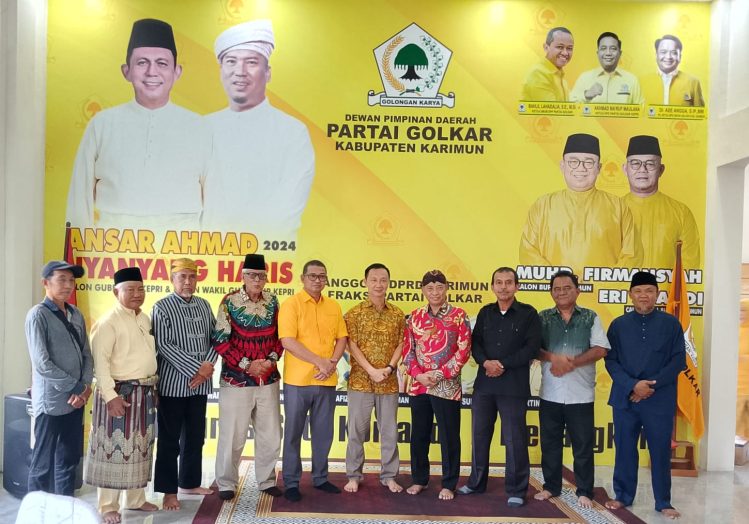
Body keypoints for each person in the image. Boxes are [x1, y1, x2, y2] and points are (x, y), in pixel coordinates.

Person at [65, 18, 209, 231]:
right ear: (126, 71)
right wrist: (78, 250)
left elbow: (215, 203)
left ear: (177, 72)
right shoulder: (102, 125)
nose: (152, 72)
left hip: (182, 244)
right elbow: (80, 195)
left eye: (162, 63)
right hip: (113, 242)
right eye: (142, 62)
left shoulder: (200, 128)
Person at [203, 19, 315, 240]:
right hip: (209, 252)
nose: (240, 71)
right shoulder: (201, 129)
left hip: (267, 254)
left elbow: (286, 212)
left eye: (251, 62)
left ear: (268, 73)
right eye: (231, 61)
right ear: (221, 71)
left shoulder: (292, 133)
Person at [457, 267, 541, 508]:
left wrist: (502, 364)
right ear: (492, 286)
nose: (504, 287)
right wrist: (486, 363)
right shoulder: (486, 312)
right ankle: (476, 483)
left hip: (513, 387)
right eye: (499, 282)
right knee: (479, 435)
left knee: (515, 439)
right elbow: (475, 344)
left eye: (508, 282)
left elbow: (531, 348)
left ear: (517, 286)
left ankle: (516, 489)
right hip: (485, 384)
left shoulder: (528, 314)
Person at [604, 271, 685, 519]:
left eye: (649, 291)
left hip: (658, 399)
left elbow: (678, 361)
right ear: (630, 295)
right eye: (638, 291)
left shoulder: (671, 324)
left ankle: (663, 501)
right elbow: (611, 361)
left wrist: (649, 387)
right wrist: (633, 386)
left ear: (657, 294)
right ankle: (623, 496)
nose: (643, 296)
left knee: (660, 450)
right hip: (625, 398)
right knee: (625, 449)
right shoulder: (618, 325)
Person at [84, 267, 158, 524]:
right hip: (118, 393)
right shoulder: (108, 322)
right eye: (130, 290)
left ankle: (136, 500)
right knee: (113, 450)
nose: (137, 294)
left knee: (139, 448)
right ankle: (107, 506)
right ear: (116, 292)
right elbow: (100, 365)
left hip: (144, 392)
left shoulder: (144, 318)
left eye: (140, 289)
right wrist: (110, 397)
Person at [532, 270, 609, 508]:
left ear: (577, 290)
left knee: (583, 446)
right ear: (551, 292)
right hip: (550, 392)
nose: (561, 292)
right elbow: (533, 348)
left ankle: (584, 491)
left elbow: (600, 349)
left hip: (581, 394)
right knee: (550, 444)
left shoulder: (590, 317)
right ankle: (551, 486)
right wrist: (554, 358)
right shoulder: (542, 318)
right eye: (556, 289)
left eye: (567, 288)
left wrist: (572, 363)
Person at [212, 253, 284, 500]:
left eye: (261, 275)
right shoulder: (229, 302)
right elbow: (220, 341)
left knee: (270, 434)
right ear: (243, 276)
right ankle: (226, 483)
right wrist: (247, 365)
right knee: (232, 435)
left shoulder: (273, 301)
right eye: (252, 275)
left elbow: (281, 337)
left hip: (268, 379)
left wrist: (270, 361)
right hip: (236, 380)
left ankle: (266, 480)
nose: (257, 280)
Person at [519, 133, 642, 271]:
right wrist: (558, 280)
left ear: (599, 168)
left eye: (589, 162)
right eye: (573, 161)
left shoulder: (618, 206)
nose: (581, 168)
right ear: (562, 166)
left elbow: (632, 254)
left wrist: (602, 281)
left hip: (603, 285)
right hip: (554, 285)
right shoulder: (543, 205)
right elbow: (528, 251)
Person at [278, 260, 348, 502]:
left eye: (322, 276)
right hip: (298, 381)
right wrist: (320, 362)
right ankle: (291, 482)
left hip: (326, 380)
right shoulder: (291, 304)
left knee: (323, 433)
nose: (318, 280)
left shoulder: (333, 306)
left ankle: (320, 478)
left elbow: (342, 338)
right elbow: (288, 341)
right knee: (293, 434)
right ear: (302, 278)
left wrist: (332, 362)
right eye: (313, 276)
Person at [152, 258, 217, 510]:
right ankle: (169, 492)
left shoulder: (204, 305)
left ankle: (189, 482)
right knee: (169, 441)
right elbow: (164, 345)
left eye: (192, 277)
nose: (188, 282)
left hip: (200, 386)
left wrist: (207, 368)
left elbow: (216, 339)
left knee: (195, 436)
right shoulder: (162, 307)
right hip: (172, 385)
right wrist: (196, 369)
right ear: (172, 279)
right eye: (182, 277)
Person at [25, 261, 93, 496]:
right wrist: (76, 387)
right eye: (61, 279)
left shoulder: (76, 314)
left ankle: (64, 508)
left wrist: (85, 387)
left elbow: (86, 354)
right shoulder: (38, 315)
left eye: (71, 280)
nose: (68, 285)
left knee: (69, 460)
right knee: (42, 464)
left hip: (75, 402)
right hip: (51, 403)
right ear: (46, 283)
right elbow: (42, 364)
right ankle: (37, 512)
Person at [402, 270, 471, 501]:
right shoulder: (414, 317)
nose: (435, 292)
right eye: (430, 288)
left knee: (449, 436)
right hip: (419, 385)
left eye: (439, 287)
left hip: (447, 386)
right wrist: (419, 375)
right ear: (423, 290)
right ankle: (419, 479)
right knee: (419, 435)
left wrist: (440, 374)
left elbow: (464, 351)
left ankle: (449, 484)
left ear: (446, 288)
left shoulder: (459, 315)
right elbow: (408, 351)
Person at [343, 263, 405, 494]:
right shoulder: (354, 313)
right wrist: (371, 370)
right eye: (374, 280)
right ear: (365, 282)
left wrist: (389, 368)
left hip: (388, 382)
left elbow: (401, 344)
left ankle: (389, 476)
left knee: (389, 432)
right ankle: (354, 475)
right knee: (356, 432)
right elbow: (351, 345)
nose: (379, 284)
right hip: (360, 381)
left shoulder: (397, 314)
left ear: (388, 283)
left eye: (383, 280)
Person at [622, 135, 700, 269]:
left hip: (665, 283)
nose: (642, 169)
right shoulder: (612, 210)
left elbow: (690, 265)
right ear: (625, 169)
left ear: (661, 170)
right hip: (622, 283)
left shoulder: (681, 212)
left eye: (650, 164)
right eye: (635, 163)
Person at [570, 32, 643, 104]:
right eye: (603, 48)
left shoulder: (632, 80)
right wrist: (587, 95)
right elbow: (571, 106)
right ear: (598, 53)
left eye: (613, 48)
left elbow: (641, 109)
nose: (608, 53)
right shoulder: (584, 78)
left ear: (620, 53)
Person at [641, 34, 704, 107]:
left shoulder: (693, 83)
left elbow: (700, 113)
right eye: (663, 52)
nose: (668, 57)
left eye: (674, 52)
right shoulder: (641, 82)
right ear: (656, 55)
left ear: (680, 56)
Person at [521, 27, 574, 101]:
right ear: (546, 48)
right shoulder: (538, 74)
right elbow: (550, 108)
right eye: (560, 47)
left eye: (569, 48)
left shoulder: (560, 77)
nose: (565, 53)